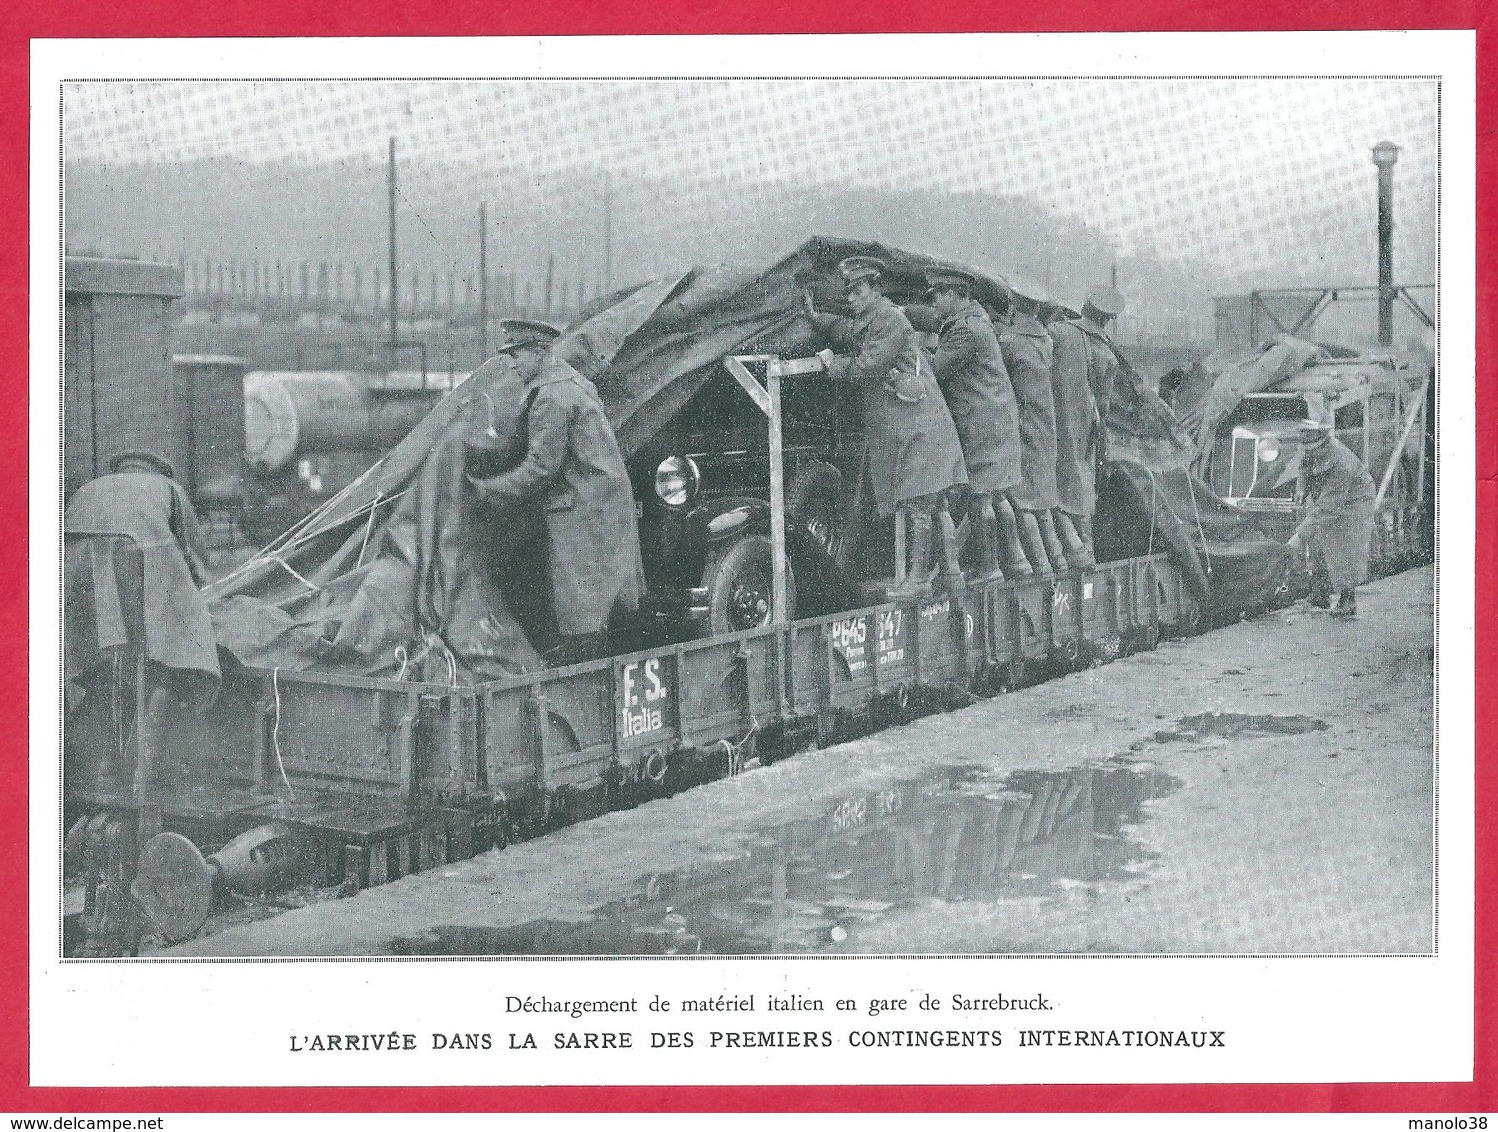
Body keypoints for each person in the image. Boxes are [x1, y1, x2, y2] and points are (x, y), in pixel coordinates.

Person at [467, 319, 645, 664]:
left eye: (516, 356)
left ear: (536, 352)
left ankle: (582, 682)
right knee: (605, 607)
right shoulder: (574, 383)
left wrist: (486, 491)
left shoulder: (551, 397)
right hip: (603, 508)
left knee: (582, 616)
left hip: (582, 514)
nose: (514, 365)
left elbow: (540, 469)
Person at [804, 256, 968, 600]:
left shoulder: (890, 322)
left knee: (918, 504)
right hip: (918, 426)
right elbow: (848, 330)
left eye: (857, 291)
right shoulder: (876, 319)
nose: (850, 299)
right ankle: (952, 576)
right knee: (934, 504)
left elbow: (868, 365)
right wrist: (818, 318)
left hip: (918, 428)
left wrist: (832, 363)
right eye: (848, 293)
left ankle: (919, 581)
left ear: (875, 290)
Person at [64, 451, 220, 796]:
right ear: (160, 470)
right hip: (135, 557)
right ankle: (143, 777)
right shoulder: (168, 489)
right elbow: (195, 554)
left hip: (73, 567)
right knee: (166, 662)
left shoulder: (94, 487)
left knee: (100, 667)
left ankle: (104, 767)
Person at [923, 266, 1031, 583]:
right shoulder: (976, 321)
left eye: (938, 296)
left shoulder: (964, 330)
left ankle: (990, 570)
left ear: (956, 296)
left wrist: (909, 351)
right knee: (998, 496)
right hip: (993, 421)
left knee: (981, 498)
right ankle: (1017, 561)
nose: (934, 304)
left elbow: (935, 370)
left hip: (980, 425)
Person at [1047, 284, 1127, 570]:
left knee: (1050, 483)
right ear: (1108, 319)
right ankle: (1084, 551)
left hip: (1049, 418)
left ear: (1084, 307)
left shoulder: (1057, 332)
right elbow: (1103, 405)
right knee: (1080, 482)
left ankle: (1062, 552)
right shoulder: (1107, 353)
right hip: (1083, 425)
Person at [997, 274, 1070, 576]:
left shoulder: (1009, 342)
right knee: (1043, 500)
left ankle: (1037, 564)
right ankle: (1062, 559)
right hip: (1045, 426)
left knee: (1023, 501)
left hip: (1023, 427)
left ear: (1014, 306)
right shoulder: (1046, 341)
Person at [1287, 418, 1377, 618]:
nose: (1309, 451)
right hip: (1331, 498)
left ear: (1323, 443)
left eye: (1312, 449)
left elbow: (1328, 507)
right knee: (1319, 540)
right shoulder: (1312, 449)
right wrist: (1302, 489)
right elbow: (1304, 466)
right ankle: (1320, 593)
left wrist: (1299, 536)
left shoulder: (1341, 463)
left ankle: (1348, 600)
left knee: (1344, 546)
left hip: (1356, 499)